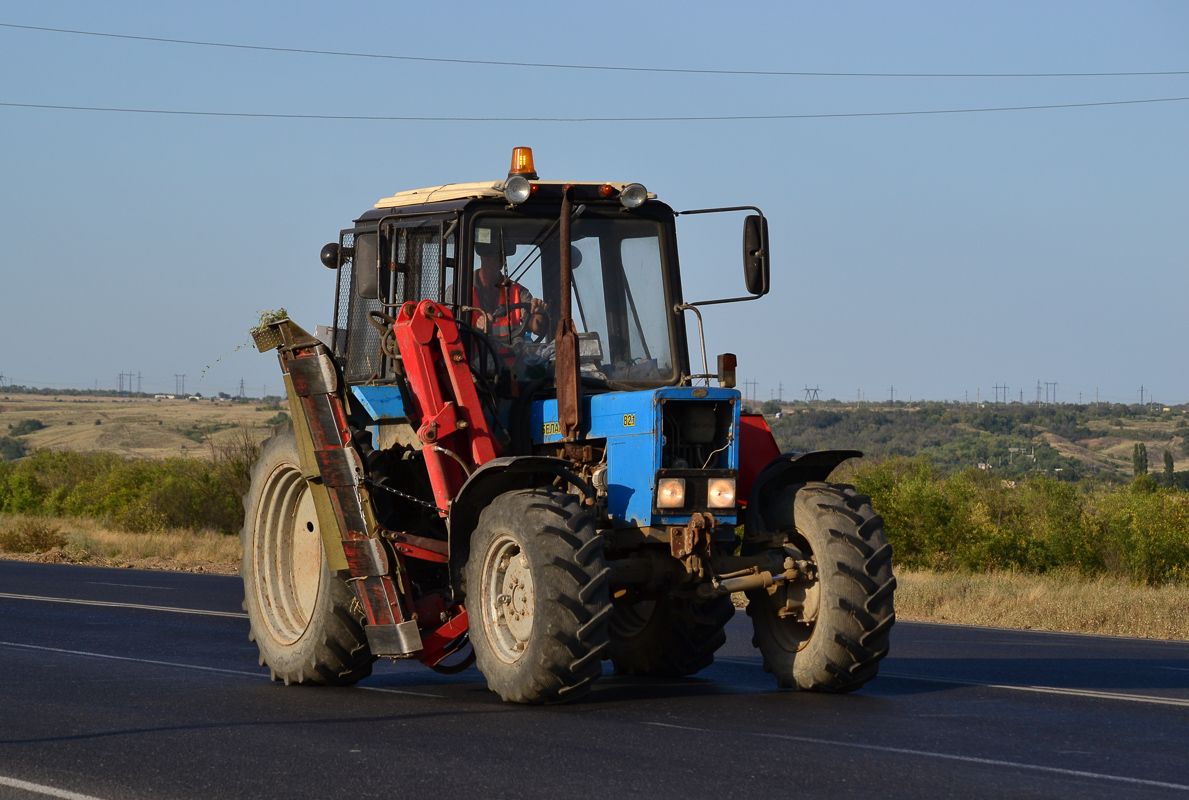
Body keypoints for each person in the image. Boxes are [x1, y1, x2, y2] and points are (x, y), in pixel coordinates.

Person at [470, 244, 550, 341]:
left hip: (513, 355)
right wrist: (476, 329)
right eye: (493, 251)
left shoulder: (519, 291)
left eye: (503, 253)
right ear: (482, 254)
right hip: (474, 354)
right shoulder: (458, 292)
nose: (499, 257)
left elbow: (536, 328)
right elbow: (451, 334)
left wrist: (539, 313)